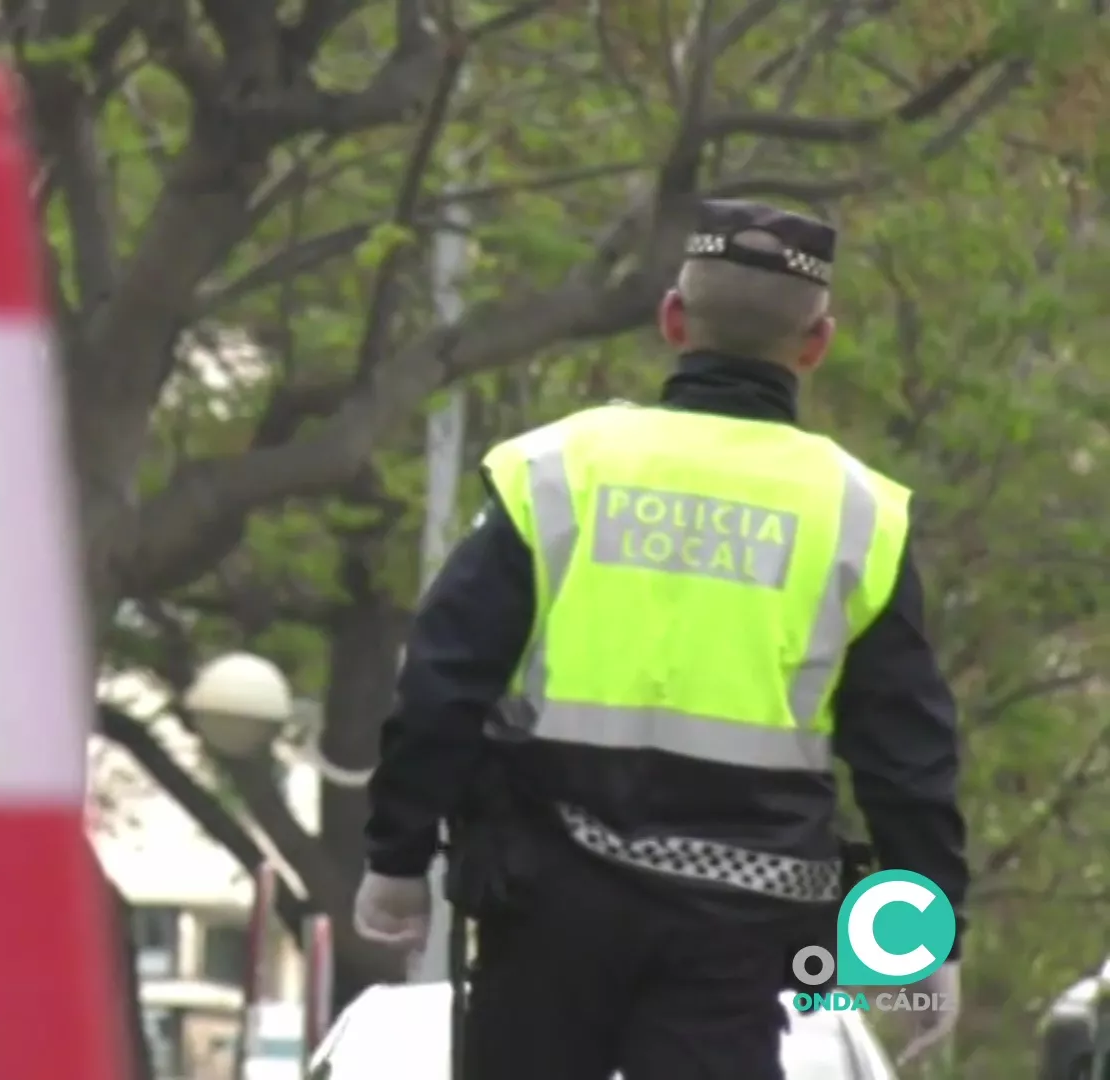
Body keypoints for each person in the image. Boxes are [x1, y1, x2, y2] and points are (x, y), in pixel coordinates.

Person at [354, 200, 968, 1078]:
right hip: (738, 930)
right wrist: (922, 939)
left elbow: (443, 683)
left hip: (544, 906)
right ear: (817, 343)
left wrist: (398, 857)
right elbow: (907, 759)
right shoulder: (859, 515)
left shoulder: (556, 469)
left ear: (673, 320)